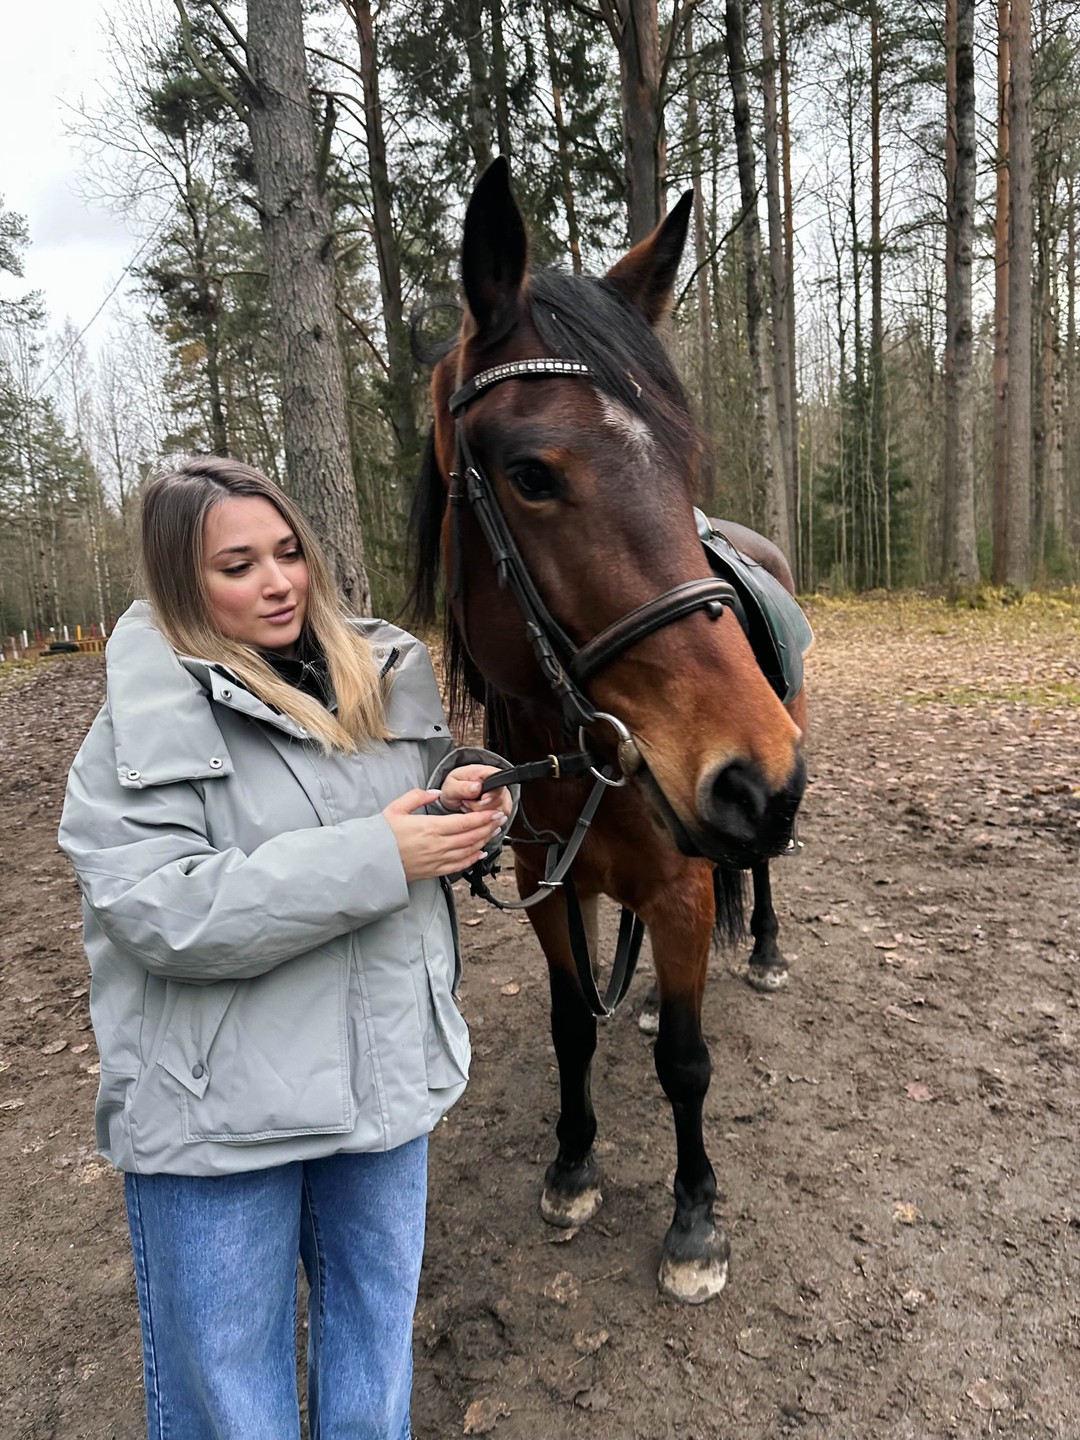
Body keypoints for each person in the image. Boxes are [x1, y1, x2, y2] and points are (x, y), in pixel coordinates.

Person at [58, 455, 515, 1440]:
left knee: (372, 1358)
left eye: (287, 552)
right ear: (183, 582)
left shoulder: (378, 675)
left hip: (385, 1083)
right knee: (230, 1402)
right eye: (236, 565)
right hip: (219, 1119)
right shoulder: (140, 725)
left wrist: (471, 791)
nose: (276, 582)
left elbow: (422, 789)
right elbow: (163, 913)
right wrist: (380, 854)